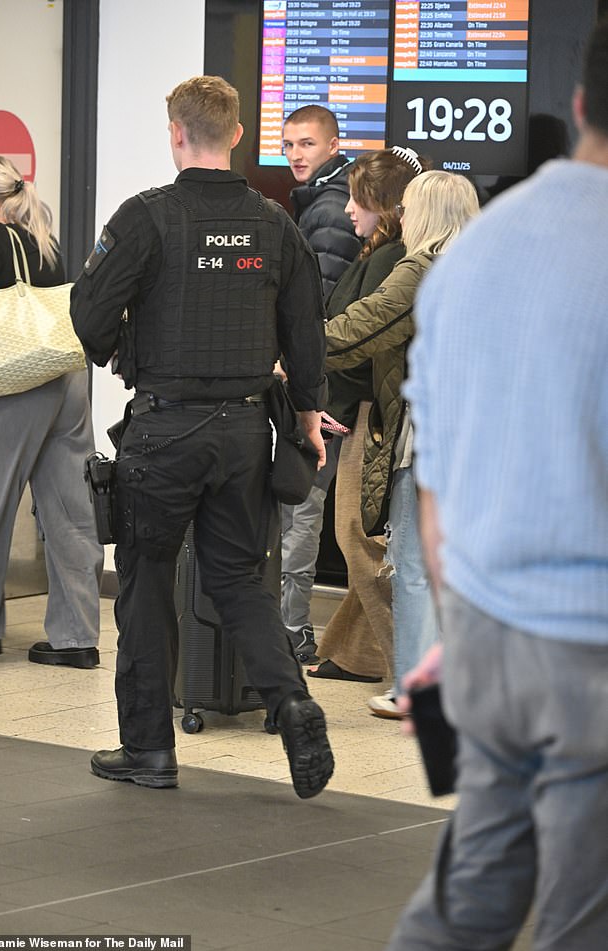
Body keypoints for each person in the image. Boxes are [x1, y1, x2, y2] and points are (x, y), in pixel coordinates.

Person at [389, 18, 608, 950]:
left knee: (474, 888)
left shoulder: (471, 253)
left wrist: (456, 632)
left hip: (484, 631)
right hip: (592, 648)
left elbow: (438, 475)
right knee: (582, 917)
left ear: (582, 101)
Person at [70, 75, 334, 799]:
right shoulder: (275, 225)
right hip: (247, 430)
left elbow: (89, 320)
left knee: (148, 584)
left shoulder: (146, 218)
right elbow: (306, 335)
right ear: (239, 135)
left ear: (176, 134)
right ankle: (291, 701)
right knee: (237, 581)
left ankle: (149, 750)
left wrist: (130, 342)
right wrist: (307, 414)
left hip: (164, 432)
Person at [312, 172, 479, 713]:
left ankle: (414, 688)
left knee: (410, 560)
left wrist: (300, 351)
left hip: (430, 432)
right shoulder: (484, 267)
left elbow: (369, 323)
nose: (400, 218)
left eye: (407, 208)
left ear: (427, 213)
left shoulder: (422, 268)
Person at [303, 146, 428, 686]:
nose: (349, 210)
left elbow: (360, 338)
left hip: (367, 416)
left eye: (360, 200)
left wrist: (309, 376)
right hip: (367, 412)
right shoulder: (378, 253)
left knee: (358, 540)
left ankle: (413, 664)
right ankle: (358, 654)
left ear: (387, 204)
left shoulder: (387, 261)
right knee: (369, 540)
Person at [0, 155, 103, 668]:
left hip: (16, 382)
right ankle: (77, 638)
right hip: (66, 378)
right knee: (71, 510)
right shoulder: (44, 239)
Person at [279, 104, 361, 664]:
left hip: (320, 389)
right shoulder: (321, 205)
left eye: (307, 144)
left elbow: (317, 315)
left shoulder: (329, 211)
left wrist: (294, 371)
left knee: (301, 509)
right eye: (288, 145)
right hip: (324, 386)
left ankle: (291, 629)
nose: (296, 156)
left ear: (334, 146)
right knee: (300, 510)